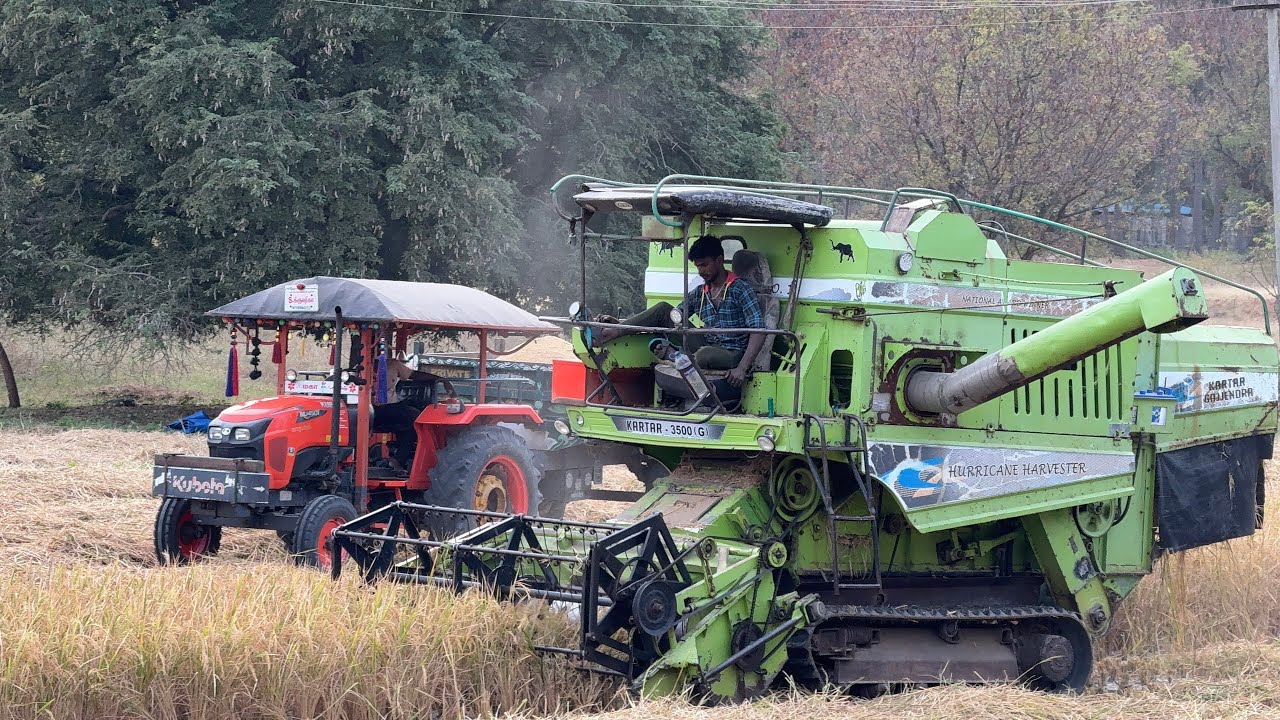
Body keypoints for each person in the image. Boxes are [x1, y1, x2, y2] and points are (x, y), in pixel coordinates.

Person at [602, 235, 766, 387]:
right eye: (697, 266)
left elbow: (759, 330)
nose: (701, 271)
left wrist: (742, 369)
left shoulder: (740, 289)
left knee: (704, 356)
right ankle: (613, 332)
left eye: (704, 265)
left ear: (719, 260)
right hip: (706, 342)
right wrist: (627, 323)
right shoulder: (700, 292)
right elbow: (676, 315)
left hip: (732, 352)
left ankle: (675, 354)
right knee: (663, 310)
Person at [371, 357, 438, 474]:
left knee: (413, 418)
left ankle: (398, 460)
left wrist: (437, 379)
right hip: (366, 408)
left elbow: (413, 375)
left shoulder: (392, 364)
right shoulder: (358, 366)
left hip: (389, 406)